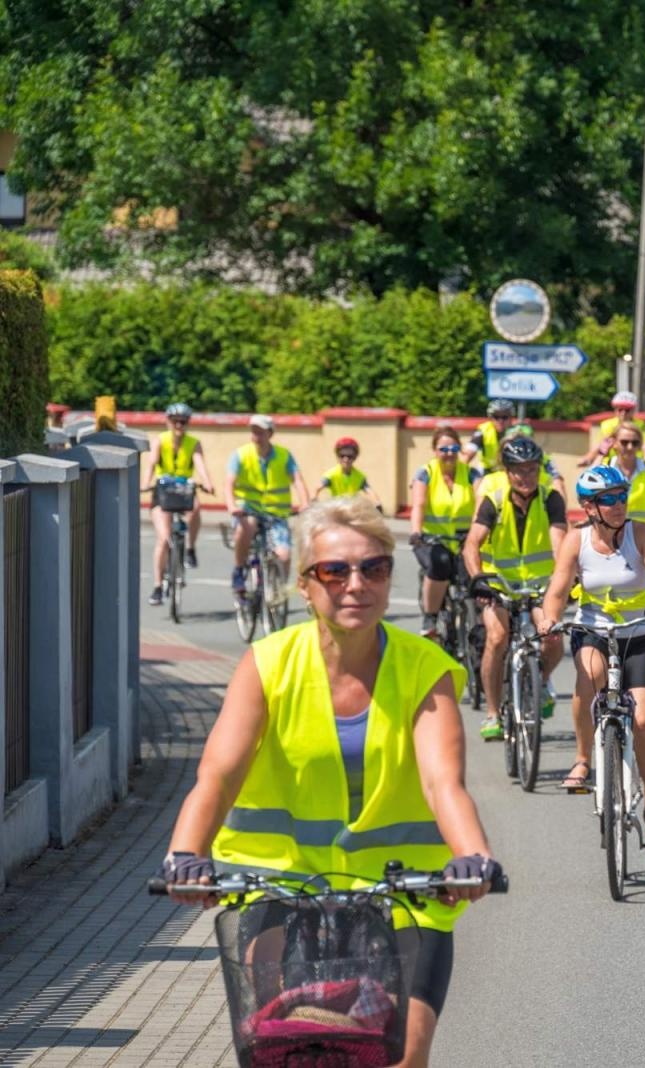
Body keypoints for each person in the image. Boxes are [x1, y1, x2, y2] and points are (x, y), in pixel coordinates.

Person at [160, 497, 499, 1068]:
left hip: (404, 898)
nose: (355, 584)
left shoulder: (424, 667)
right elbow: (216, 777)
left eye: (374, 568)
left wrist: (472, 858)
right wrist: (184, 855)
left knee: (405, 1056)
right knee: (276, 1049)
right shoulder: (268, 663)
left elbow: (445, 784)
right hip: (279, 889)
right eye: (334, 570)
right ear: (305, 584)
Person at [539, 467, 645, 851]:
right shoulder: (577, 541)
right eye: (608, 498)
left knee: (642, 718)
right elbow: (558, 588)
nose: (619, 504)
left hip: (639, 633)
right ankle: (583, 758)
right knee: (589, 679)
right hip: (593, 631)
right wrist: (549, 619)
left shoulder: (641, 534)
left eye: (622, 495)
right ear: (589, 506)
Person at [462, 436, 569, 739]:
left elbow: (560, 542)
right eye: (519, 471)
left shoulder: (551, 498)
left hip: (539, 582)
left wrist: (565, 578)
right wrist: (479, 578)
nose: (526, 477)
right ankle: (493, 713)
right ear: (507, 472)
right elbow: (472, 544)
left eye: (532, 470)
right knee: (497, 637)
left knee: (553, 638)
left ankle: (543, 681)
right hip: (499, 583)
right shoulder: (493, 499)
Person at [224, 415, 312, 595]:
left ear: (270, 433)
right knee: (247, 526)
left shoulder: (284, 455)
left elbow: (298, 480)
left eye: (260, 430)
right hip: (248, 510)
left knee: (284, 555)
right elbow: (229, 484)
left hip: (276, 514)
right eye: (253, 430)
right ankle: (239, 570)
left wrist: (305, 503)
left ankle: (278, 592)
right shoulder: (241, 455)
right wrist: (232, 506)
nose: (256, 434)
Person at [408, 428, 481, 641]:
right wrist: (416, 532)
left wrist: (480, 529)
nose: (449, 453)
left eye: (454, 448)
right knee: (440, 562)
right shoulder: (426, 473)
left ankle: (475, 620)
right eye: (443, 449)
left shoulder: (470, 473)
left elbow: (480, 502)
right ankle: (430, 617)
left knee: (472, 572)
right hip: (431, 538)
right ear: (434, 450)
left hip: (464, 538)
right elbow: (419, 505)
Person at [143, 403, 214, 606]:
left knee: (196, 509)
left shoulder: (193, 443)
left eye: (183, 421)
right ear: (168, 421)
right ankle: (157, 586)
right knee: (164, 539)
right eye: (175, 421)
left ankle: (190, 548)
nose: (179, 425)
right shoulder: (160, 441)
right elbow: (152, 463)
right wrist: (145, 483)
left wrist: (207, 483)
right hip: (163, 491)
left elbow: (200, 464)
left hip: (184, 490)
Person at [579, 390, 645, 465]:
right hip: (611, 465)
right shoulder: (608, 425)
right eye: (620, 409)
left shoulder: (640, 424)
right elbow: (601, 445)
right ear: (615, 410)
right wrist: (588, 458)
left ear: (633, 410)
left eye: (627, 410)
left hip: (634, 464)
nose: (623, 413)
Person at [318, 437, 382, 509]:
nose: (346, 459)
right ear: (337, 456)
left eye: (350, 456)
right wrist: (314, 497)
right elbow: (318, 487)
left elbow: (369, 490)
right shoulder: (331, 474)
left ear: (355, 457)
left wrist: (377, 503)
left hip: (352, 511)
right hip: (335, 511)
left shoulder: (359, 476)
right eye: (342, 456)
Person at [462, 399, 516, 474]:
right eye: (496, 417)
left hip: (509, 472)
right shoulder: (483, 431)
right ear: (491, 418)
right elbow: (468, 454)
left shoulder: (517, 433)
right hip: (487, 471)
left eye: (505, 417)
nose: (500, 421)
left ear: (511, 418)